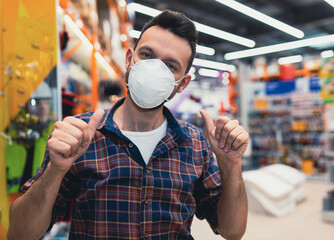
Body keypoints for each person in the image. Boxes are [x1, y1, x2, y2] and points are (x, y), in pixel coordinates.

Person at [8, 10, 249, 240]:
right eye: (146, 55)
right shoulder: (81, 134)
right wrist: (55, 172)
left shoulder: (195, 144)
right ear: (129, 59)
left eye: (170, 66)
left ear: (182, 84)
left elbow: (232, 231)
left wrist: (230, 164)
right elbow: (20, 234)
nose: (154, 69)